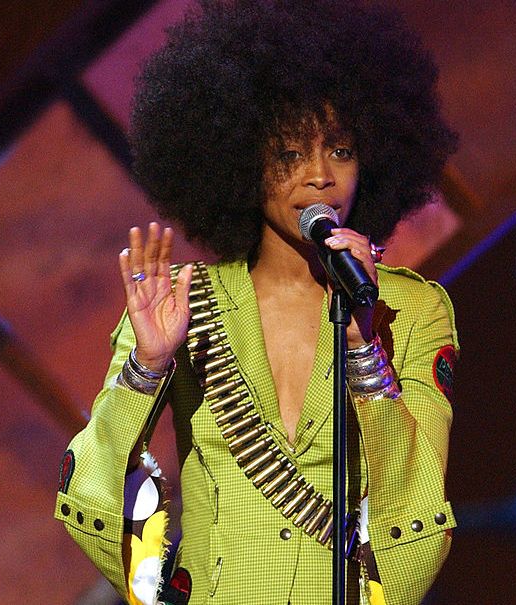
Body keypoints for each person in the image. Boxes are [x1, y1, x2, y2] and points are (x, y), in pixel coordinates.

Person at [55, 1, 458, 604]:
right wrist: (149, 367)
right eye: (290, 154)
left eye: (340, 151)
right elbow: (92, 501)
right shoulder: (181, 303)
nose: (319, 176)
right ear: (242, 159)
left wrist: (363, 347)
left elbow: (417, 523)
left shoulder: (409, 310)